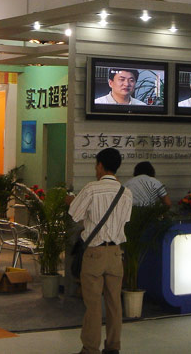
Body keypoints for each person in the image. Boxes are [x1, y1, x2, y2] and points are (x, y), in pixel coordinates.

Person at [67, 148, 133, 354]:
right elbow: (125, 220)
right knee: (114, 303)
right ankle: (113, 346)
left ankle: (90, 348)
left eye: (96, 165)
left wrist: (71, 201)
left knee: (93, 304)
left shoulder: (91, 189)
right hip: (116, 254)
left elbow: (74, 214)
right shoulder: (126, 192)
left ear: (101, 166)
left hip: (94, 253)